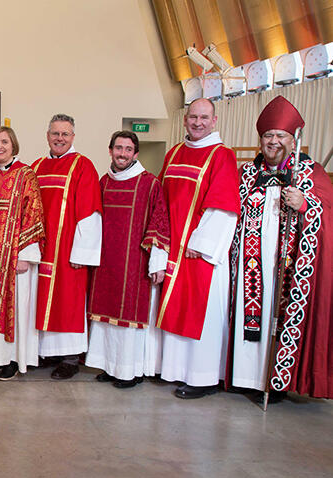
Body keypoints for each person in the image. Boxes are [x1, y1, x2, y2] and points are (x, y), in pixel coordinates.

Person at [228, 95, 333, 402]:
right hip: (249, 265)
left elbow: (327, 210)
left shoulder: (310, 174)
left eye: (280, 136)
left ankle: (275, 381)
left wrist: (306, 205)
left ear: (292, 139)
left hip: (287, 264)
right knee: (249, 317)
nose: (273, 141)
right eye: (267, 135)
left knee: (278, 317)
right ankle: (244, 376)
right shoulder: (247, 173)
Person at [158, 98, 239, 399]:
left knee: (201, 312)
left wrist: (199, 243)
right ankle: (176, 371)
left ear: (214, 121)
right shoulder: (175, 153)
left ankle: (202, 377)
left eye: (204, 118)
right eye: (193, 117)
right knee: (173, 309)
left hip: (199, 251)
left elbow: (224, 206)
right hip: (173, 246)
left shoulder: (222, 156)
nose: (198, 123)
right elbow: (162, 199)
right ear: (185, 119)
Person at [85, 131, 170, 388]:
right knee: (104, 317)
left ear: (136, 153)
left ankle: (129, 371)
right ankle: (109, 366)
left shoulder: (150, 184)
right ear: (110, 150)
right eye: (118, 148)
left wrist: (157, 263)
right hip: (105, 264)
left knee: (129, 320)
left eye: (128, 149)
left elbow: (160, 224)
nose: (122, 154)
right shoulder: (103, 182)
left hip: (135, 265)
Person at [32, 114, 103, 380]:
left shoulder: (82, 165)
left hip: (67, 250)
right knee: (42, 299)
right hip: (41, 247)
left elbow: (90, 212)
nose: (59, 138)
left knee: (67, 300)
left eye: (65, 134)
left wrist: (82, 253)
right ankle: (47, 352)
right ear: (47, 135)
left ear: (73, 136)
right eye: (55, 133)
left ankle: (70, 357)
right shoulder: (37, 166)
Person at [0, 126, 45, 380]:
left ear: (13, 145)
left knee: (16, 307)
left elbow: (34, 213)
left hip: (16, 257)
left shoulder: (26, 174)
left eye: (4, 142)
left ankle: (14, 359)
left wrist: (26, 254)